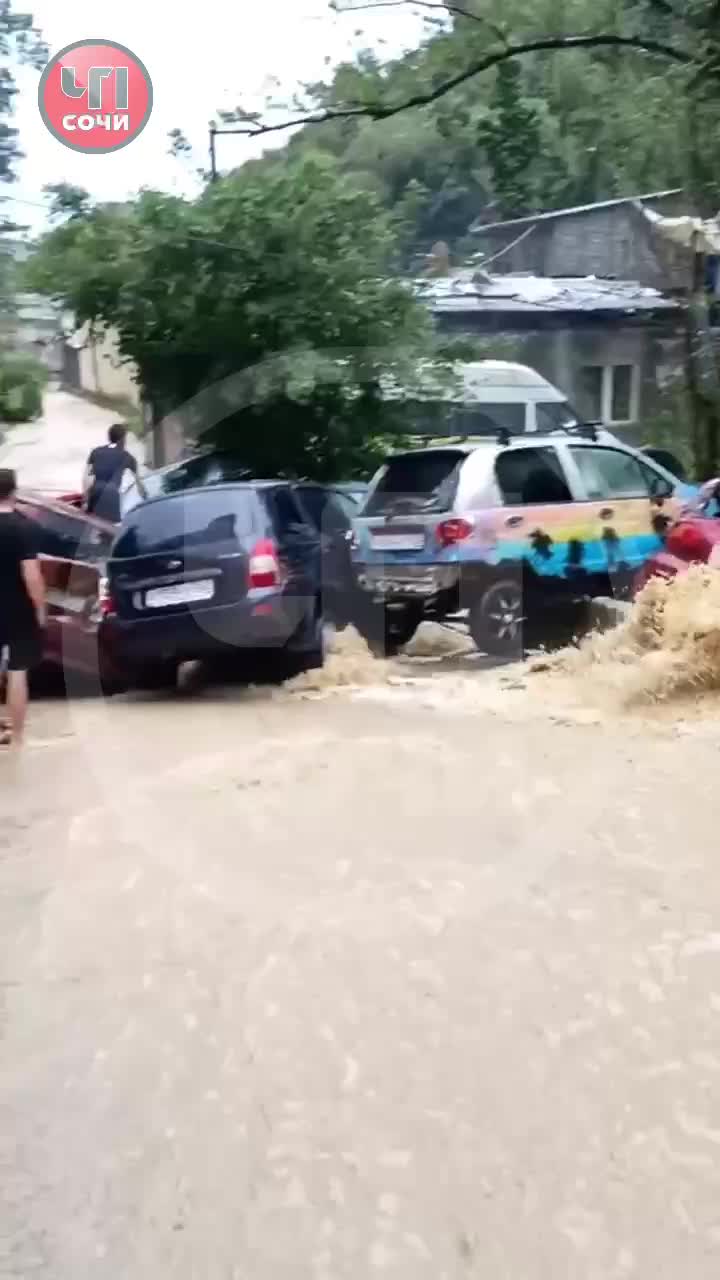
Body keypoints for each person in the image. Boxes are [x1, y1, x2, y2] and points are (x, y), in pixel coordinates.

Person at [0, 469, 46, 748]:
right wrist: (39, 609)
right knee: (18, 672)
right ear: (14, 492)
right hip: (18, 608)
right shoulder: (24, 527)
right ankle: (16, 739)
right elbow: (31, 574)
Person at [84, 423, 147, 523]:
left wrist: (86, 501)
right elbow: (140, 487)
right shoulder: (128, 457)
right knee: (111, 530)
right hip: (111, 495)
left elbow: (86, 479)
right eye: (125, 438)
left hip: (95, 493)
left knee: (93, 525)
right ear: (121, 439)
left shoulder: (95, 452)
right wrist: (147, 499)